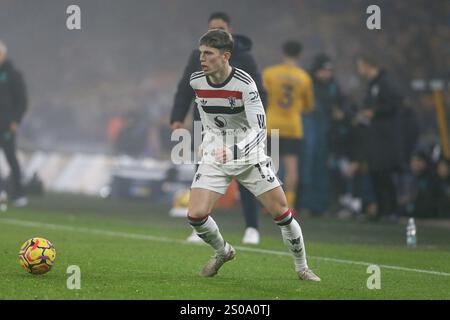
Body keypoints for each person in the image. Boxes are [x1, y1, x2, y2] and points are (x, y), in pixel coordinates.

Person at [186, 29, 320, 281]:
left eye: (208, 54)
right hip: (217, 153)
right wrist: (206, 139)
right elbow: (206, 114)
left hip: (248, 154)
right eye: (201, 52)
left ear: (225, 56)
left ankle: (302, 268)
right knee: (195, 215)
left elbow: (260, 130)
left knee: (281, 212)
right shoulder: (196, 81)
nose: (201, 58)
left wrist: (235, 150)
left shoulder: (245, 83)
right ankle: (222, 251)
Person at [170, 12, 266, 245]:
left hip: (240, 128)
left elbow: (260, 92)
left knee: (245, 175)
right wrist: (177, 117)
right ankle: (200, 227)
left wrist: (260, 123)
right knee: (203, 173)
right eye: (212, 28)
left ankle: (251, 228)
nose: (217, 32)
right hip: (208, 125)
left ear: (229, 30)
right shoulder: (198, 56)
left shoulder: (244, 57)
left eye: (221, 28)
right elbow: (185, 87)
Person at [263, 41, 313, 210]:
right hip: (293, 127)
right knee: (292, 168)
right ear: (299, 55)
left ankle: (271, 203)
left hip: (272, 124)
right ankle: (289, 204)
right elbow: (308, 106)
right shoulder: (304, 77)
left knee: (270, 167)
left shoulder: (270, 73)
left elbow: (262, 97)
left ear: (282, 53)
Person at [356, 54, 403, 220]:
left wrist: (374, 112)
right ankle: (382, 210)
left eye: (361, 65)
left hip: (385, 136)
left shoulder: (385, 82)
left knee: (384, 173)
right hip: (375, 136)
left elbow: (396, 103)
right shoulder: (373, 84)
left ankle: (392, 211)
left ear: (368, 65)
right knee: (376, 172)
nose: (359, 69)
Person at [299, 54, 343, 216]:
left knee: (321, 168)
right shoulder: (307, 83)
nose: (326, 74)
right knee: (308, 166)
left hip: (325, 133)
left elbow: (341, 103)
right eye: (323, 70)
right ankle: (305, 203)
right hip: (310, 130)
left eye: (329, 71)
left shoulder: (333, 86)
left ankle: (320, 205)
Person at [0, 40, 28, 207]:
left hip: (7, 125)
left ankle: (18, 193)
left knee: (11, 158)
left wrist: (16, 120)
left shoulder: (13, 75)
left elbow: (22, 100)